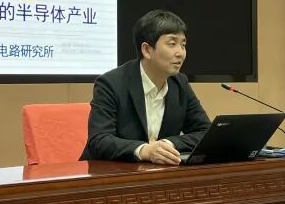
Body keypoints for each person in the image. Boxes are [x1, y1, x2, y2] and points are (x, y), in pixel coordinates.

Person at [81, 10, 210, 164]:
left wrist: (167, 144)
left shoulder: (179, 83)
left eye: (183, 45)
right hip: (106, 172)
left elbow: (205, 132)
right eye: (172, 44)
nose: (181, 53)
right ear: (147, 50)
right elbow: (99, 140)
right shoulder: (111, 83)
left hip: (155, 172)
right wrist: (144, 150)